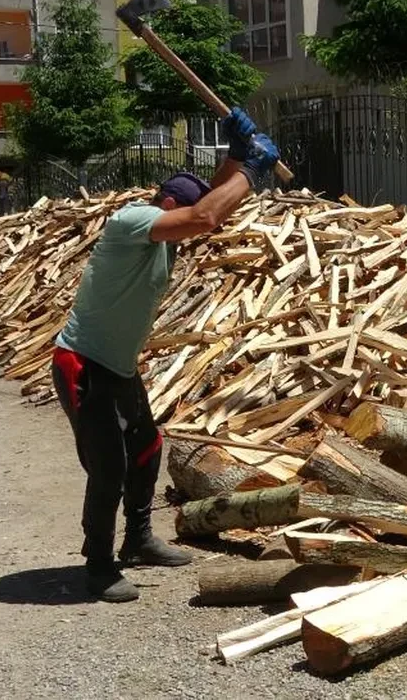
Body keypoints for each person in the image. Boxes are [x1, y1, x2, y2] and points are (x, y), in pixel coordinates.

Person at [50, 108, 279, 602]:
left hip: (118, 366)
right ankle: (98, 565)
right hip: (83, 363)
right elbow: (205, 213)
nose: (193, 233)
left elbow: (204, 209)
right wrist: (252, 171)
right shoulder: (132, 221)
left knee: (147, 449)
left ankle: (137, 540)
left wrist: (236, 155)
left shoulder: (164, 236)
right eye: (184, 215)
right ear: (168, 205)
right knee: (108, 466)